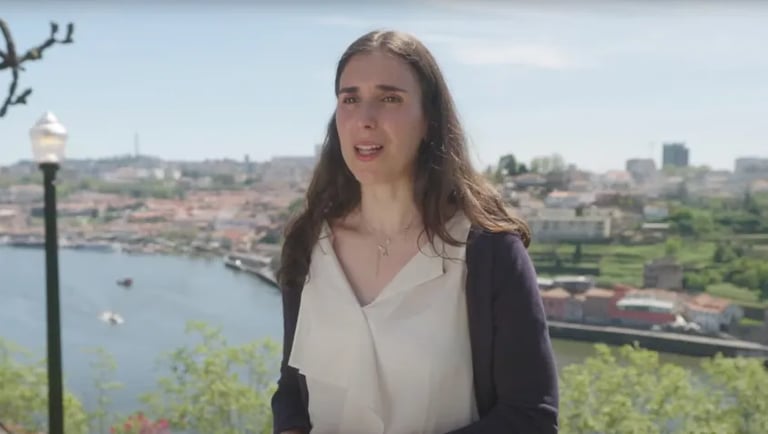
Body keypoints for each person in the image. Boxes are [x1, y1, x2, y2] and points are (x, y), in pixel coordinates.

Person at [271, 29, 559, 434]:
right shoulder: (306, 245)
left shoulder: (488, 252)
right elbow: (291, 393)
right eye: (349, 99)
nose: (364, 119)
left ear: (429, 121)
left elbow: (530, 417)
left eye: (389, 98)